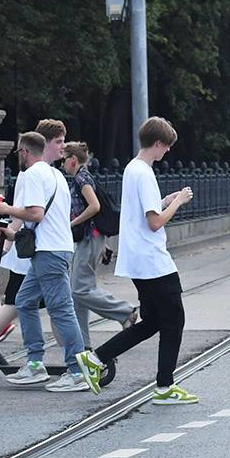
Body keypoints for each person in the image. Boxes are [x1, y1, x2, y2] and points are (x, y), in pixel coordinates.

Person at [76, 117, 199, 403]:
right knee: (174, 321)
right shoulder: (144, 173)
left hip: (138, 260)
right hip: (152, 260)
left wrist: (164, 200)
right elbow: (154, 223)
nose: (167, 152)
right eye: (166, 147)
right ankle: (164, 387)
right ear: (158, 143)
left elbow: (145, 211)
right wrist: (178, 202)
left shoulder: (133, 169)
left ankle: (97, 358)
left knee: (153, 321)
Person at [0, 131, 89, 392]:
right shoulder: (55, 174)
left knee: (61, 309)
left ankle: (78, 370)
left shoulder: (34, 174)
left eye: (18, 154)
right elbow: (50, 218)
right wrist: (14, 234)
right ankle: (35, 363)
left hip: (50, 252)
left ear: (24, 152)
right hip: (51, 249)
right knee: (24, 301)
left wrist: (6, 210)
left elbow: (36, 214)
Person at [62, 142, 136, 348]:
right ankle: (83, 343)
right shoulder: (83, 177)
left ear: (73, 160)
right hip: (91, 239)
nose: (62, 164)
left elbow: (95, 206)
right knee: (77, 291)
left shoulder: (82, 178)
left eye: (64, 159)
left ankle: (124, 311)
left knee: (80, 290)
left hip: (89, 239)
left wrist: (71, 223)